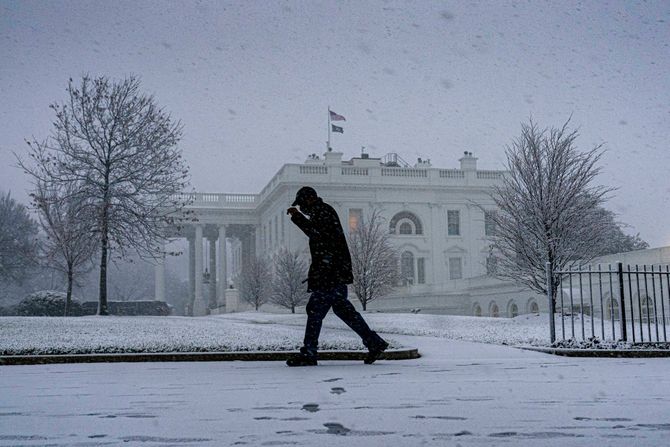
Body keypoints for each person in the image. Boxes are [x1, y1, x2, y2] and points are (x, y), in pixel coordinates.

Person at [285, 186, 389, 366]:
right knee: (344, 311)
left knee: (315, 311)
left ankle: (309, 353)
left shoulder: (323, 212)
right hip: (334, 273)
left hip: (329, 274)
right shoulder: (323, 212)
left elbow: (318, 235)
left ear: (309, 200)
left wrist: (297, 217)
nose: (302, 208)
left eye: (302, 205)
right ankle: (374, 342)